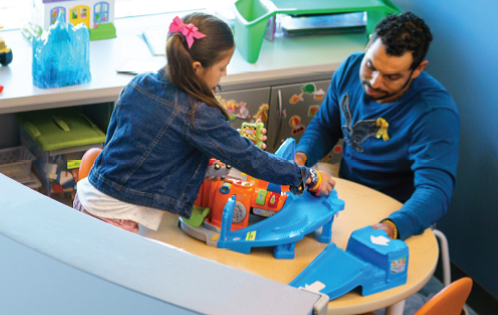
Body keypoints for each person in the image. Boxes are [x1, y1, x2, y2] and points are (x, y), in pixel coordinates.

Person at [74, 12, 334, 233]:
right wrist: (306, 176)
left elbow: (117, 143)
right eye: (222, 68)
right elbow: (251, 158)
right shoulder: (196, 113)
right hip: (115, 218)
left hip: (87, 198)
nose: (225, 74)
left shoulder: (140, 82)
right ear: (197, 67)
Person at [294, 12, 460, 240]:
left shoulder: (435, 112)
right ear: (369, 42)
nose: (374, 82)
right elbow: (325, 126)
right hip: (348, 196)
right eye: (370, 66)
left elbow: (435, 190)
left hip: (397, 213)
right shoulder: (350, 68)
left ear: (418, 69)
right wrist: (299, 158)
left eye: (391, 77)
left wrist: (392, 226)